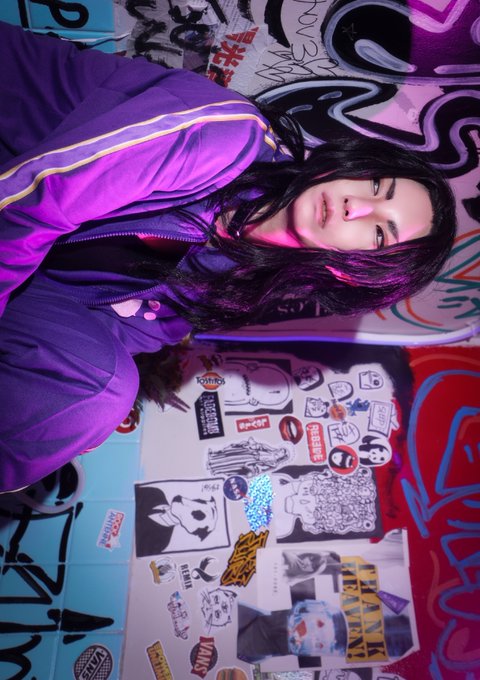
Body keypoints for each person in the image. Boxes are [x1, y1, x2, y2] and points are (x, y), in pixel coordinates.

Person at [0, 22, 456, 492]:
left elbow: (115, 330)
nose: (355, 205)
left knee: (99, 392)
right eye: (377, 185)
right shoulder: (227, 137)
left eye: (379, 233)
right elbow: (33, 197)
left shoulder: (237, 282)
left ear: (350, 273)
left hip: (29, 270)